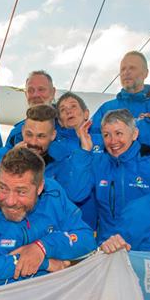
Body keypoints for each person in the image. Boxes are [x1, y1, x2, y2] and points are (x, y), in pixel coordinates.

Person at [0, 147, 96, 289]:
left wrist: (42, 247)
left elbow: (87, 239)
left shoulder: (53, 194)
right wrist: (46, 263)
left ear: (40, 188)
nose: (10, 201)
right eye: (3, 188)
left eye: (21, 192)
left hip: (48, 296)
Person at [61, 109, 150, 242]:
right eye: (106, 135)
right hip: (107, 245)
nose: (113, 141)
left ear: (134, 134)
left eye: (118, 133)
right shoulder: (98, 163)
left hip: (143, 245)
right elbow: (76, 194)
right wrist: (84, 150)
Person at [0, 104, 75, 190]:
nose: (33, 142)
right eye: (29, 134)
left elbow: (75, 195)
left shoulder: (62, 161)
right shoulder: (4, 154)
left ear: (53, 135)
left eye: (41, 136)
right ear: (22, 130)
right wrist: (9, 159)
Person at [55, 92, 98, 227]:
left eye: (73, 106)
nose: (68, 111)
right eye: (63, 110)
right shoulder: (54, 148)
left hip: (100, 224)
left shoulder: (106, 140)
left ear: (86, 114)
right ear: (60, 121)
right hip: (64, 222)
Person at [89, 51, 150, 134]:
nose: (126, 72)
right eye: (123, 69)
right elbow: (89, 136)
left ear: (145, 73)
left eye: (132, 68)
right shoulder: (107, 109)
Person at [5, 70, 57, 147]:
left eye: (41, 89)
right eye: (30, 90)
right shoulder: (16, 133)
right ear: (26, 95)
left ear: (53, 92)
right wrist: (12, 155)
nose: (35, 95)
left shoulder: (72, 127)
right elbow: (0, 157)